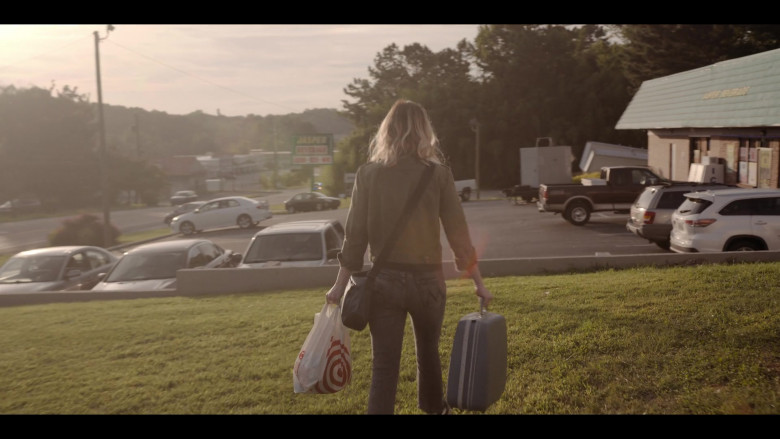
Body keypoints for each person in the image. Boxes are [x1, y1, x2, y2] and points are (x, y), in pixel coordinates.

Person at [326, 99, 493, 414]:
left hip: (384, 282)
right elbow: (459, 234)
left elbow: (354, 236)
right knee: (428, 357)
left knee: (384, 366)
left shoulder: (368, 174)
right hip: (429, 283)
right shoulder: (439, 174)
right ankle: (433, 410)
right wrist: (479, 284)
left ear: (387, 132)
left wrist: (339, 286)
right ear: (424, 131)